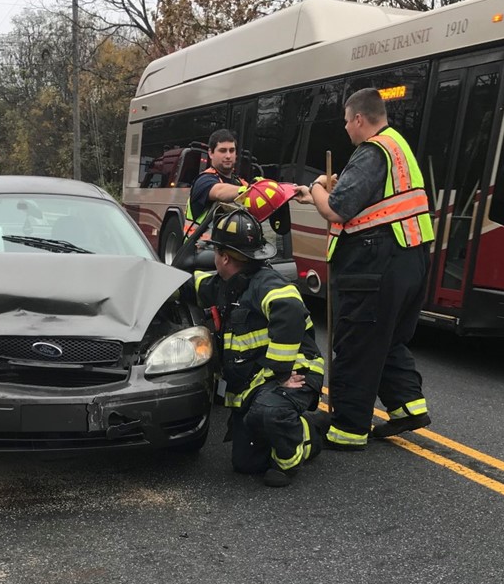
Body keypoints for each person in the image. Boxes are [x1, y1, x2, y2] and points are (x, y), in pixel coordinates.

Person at [294, 87, 435, 451]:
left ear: (359, 118)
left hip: (376, 262)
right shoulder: (397, 146)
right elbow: (369, 201)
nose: (345, 129)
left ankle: (347, 429)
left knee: (357, 342)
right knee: (387, 338)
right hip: (411, 258)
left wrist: (317, 186)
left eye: (346, 122)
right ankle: (407, 405)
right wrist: (318, 196)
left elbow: (337, 209)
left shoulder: (371, 152)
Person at [179, 208, 329, 487]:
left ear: (224, 257)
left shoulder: (266, 282)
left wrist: (282, 371)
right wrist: (171, 275)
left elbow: (290, 312)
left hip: (294, 375)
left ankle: (296, 451)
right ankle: (309, 424)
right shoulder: (225, 284)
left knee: (269, 413)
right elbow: (191, 287)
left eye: (215, 252)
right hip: (256, 383)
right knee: (246, 463)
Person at [184, 129, 249, 242]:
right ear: (211, 153)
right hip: (200, 252)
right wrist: (250, 190)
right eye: (223, 151)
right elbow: (219, 192)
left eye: (232, 150)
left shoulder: (240, 183)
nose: (228, 155)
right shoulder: (203, 180)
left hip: (230, 252)